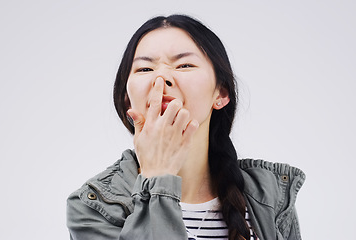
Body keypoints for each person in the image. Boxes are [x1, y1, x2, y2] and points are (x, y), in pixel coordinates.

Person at [66, 14, 305, 240]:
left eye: (184, 65)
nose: (161, 79)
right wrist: (159, 177)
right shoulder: (93, 206)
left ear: (221, 93)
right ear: (127, 98)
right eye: (145, 69)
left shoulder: (269, 197)